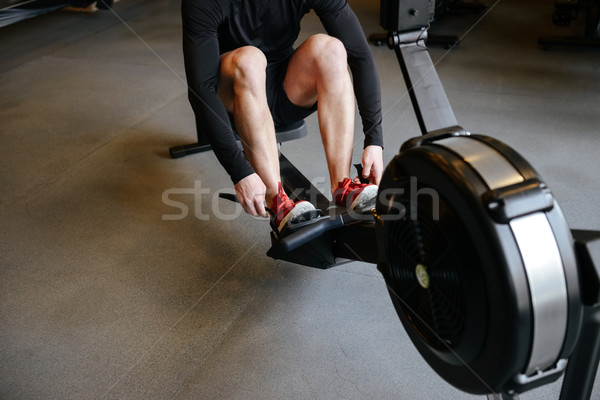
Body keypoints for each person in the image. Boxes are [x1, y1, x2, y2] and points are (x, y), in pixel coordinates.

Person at [181, 0, 384, 232]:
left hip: (284, 92)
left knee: (332, 49)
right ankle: (277, 202)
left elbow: (360, 55)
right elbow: (201, 90)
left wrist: (374, 140)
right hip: (233, 99)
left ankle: (343, 187)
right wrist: (239, 171)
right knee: (250, 59)